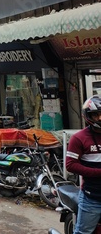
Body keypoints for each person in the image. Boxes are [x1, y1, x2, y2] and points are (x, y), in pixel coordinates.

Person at [66, 95, 101, 234]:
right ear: (88, 116)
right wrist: (98, 172)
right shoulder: (79, 138)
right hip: (92, 198)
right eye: (95, 115)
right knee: (82, 232)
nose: (99, 118)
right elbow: (70, 165)